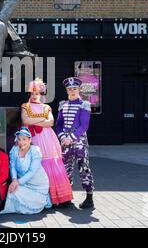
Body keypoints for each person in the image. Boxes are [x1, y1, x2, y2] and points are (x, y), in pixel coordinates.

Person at [21, 78, 73, 206]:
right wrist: (41, 121)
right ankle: (41, 200)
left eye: (37, 93)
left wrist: (34, 119)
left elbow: (51, 122)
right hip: (32, 140)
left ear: (41, 94)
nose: (34, 96)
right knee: (36, 164)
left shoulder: (46, 107)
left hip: (48, 140)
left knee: (51, 163)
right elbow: (25, 120)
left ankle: (59, 198)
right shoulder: (25, 106)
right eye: (32, 93)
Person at [56, 77, 95, 209]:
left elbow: (84, 126)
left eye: (74, 88)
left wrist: (70, 138)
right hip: (65, 143)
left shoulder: (84, 104)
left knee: (83, 168)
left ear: (79, 89)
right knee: (66, 169)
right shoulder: (63, 105)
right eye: (69, 89)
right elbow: (58, 125)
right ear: (66, 90)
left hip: (79, 142)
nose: (72, 91)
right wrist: (62, 137)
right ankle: (66, 198)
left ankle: (89, 198)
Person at [0, 127, 52, 215]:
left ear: (29, 140)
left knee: (15, 188)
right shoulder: (14, 150)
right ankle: (18, 207)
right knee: (13, 190)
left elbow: (32, 172)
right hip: (23, 183)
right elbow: (12, 167)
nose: (21, 142)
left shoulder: (35, 151)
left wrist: (17, 182)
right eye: (19, 139)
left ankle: (44, 199)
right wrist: (14, 180)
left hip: (38, 184)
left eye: (24, 139)